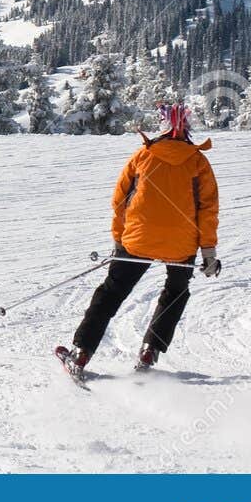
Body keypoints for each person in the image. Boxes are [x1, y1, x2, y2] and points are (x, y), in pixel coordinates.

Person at [60, 103, 220, 372]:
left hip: (137, 239)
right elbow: (208, 210)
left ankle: (81, 353)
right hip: (181, 244)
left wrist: (118, 240)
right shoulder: (198, 162)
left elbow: (119, 201)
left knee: (112, 291)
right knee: (176, 291)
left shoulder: (143, 156)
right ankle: (150, 351)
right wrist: (209, 254)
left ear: (162, 126)